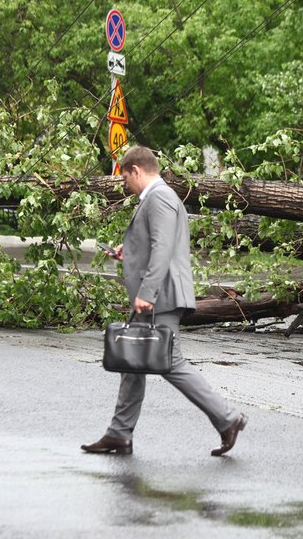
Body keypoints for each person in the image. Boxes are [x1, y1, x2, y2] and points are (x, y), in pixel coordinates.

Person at [82, 145, 247, 457]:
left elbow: (163, 249)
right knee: (132, 362)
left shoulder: (159, 197)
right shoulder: (158, 198)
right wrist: (127, 250)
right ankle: (119, 434)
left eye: (125, 178)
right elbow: (154, 244)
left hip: (160, 296)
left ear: (136, 170)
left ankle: (228, 418)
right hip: (158, 294)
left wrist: (147, 293)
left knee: (169, 362)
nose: (125, 185)